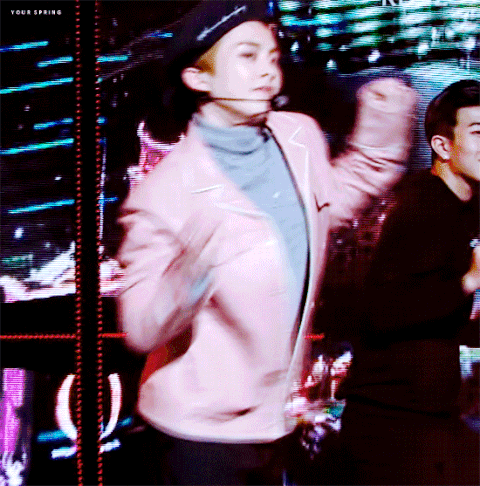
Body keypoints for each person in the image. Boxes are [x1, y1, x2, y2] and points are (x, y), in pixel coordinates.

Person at [116, 1, 416, 484]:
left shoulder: (298, 135)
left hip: (275, 424)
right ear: (198, 78)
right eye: (248, 56)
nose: (268, 72)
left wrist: (386, 114)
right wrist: (190, 274)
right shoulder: (165, 191)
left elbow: (335, 200)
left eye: (273, 57)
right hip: (197, 437)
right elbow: (140, 328)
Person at [337, 79, 480, 485]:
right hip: (391, 427)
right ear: (442, 146)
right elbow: (382, 312)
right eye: (478, 132)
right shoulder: (423, 206)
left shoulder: (461, 206)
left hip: (425, 420)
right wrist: (469, 280)